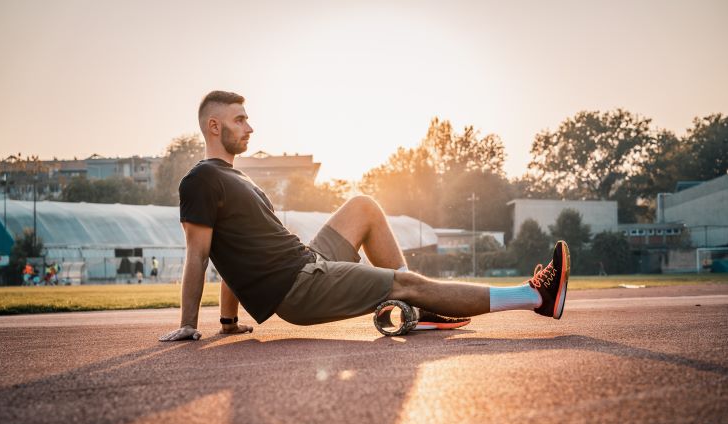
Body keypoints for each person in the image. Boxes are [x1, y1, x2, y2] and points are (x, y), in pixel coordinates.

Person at [160, 91, 570, 341]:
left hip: (307, 262)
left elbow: (235, 254)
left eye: (248, 118)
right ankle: (535, 296)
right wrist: (188, 323)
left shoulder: (236, 179)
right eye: (240, 119)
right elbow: (201, 254)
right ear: (214, 126)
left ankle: (420, 307)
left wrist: (229, 320)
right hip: (297, 287)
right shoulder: (200, 180)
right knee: (407, 283)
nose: (250, 127)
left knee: (363, 206)